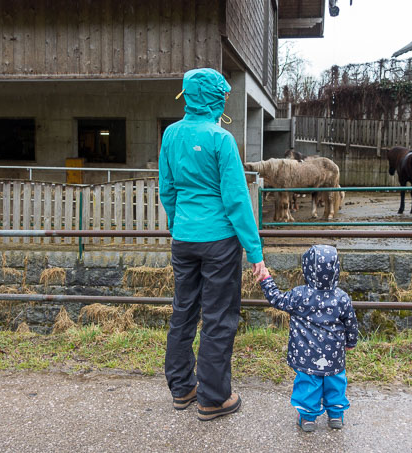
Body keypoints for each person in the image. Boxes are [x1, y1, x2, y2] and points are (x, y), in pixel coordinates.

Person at [159, 68, 268, 421]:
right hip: (219, 241)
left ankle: (182, 388)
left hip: (184, 239)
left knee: (183, 310)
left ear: (188, 96)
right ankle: (213, 397)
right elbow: (237, 200)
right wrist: (255, 253)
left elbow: (168, 189)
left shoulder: (170, 135)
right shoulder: (221, 140)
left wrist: (178, 226)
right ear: (216, 98)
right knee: (219, 317)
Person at [259, 245, 358, 432]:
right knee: (335, 381)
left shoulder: (299, 295)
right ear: (336, 269)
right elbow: (351, 323)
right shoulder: (342, 297)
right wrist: (351, 342)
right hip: (334, 353)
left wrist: (266, 279)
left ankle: (308, 418)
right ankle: (336, 415)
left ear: (307, 269)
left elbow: (277, 299)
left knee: (309, 384)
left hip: (306, 354)